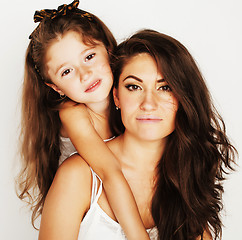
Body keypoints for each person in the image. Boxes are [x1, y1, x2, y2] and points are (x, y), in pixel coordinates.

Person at [39, 29, 237, 240]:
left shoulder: (186, 178)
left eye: (165, 88)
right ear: (116, 96)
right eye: (134, 87)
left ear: (184, 98)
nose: (148, 104)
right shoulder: (78, 176)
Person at [16, 1, 150, 239]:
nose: (85, 74)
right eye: (67, 71)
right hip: (87, 213)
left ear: (108, 49)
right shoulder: (73, 114)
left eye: (89, 56)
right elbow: (110, 173)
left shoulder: (131, 97)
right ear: (55, 86)